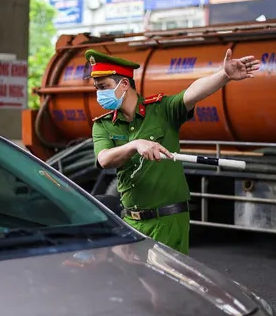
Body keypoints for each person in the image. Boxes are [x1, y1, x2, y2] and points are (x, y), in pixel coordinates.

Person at [87, 48, 259, 255]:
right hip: (130, 221)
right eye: (97, 88)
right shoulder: (103, 125)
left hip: (167, 220)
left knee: (163, 285)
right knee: (136, 284)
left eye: (104, 87)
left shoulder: (162, 110)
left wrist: (224, 75)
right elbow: (104, 159)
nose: (100, 94)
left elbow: (192, 93)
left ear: (124, 84)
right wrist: (135, 144)